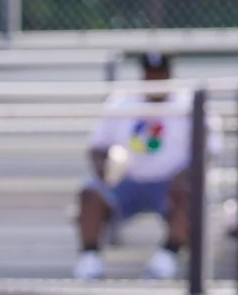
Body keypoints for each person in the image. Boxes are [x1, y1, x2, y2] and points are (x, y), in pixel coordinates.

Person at [77, 54, 194, 281]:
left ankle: (166, 259)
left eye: (160, 73)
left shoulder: (188, 104)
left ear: (169, 74)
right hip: (125, 182)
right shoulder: (121, 101)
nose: (155, 78)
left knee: (188, 195)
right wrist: (105, 170)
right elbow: (97, 147)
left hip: (169, 185)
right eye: (150, 73)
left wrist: (183, 176)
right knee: (90, 192)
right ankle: (89, 261)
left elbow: (207, 151)